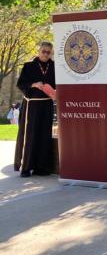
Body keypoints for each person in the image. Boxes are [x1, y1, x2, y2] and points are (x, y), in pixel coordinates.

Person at [14, 42, 56, 177]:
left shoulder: (55, 67)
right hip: (31, 106)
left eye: (48, 52)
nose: (45, 54)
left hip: (47, 105)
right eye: (43, 51)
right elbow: (20, 84)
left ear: (51, 53)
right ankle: (26, 167)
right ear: (39, 51)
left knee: (44, 136)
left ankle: (41, 168)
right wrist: (33, 84)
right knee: (30, 136)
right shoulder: (28, 66)